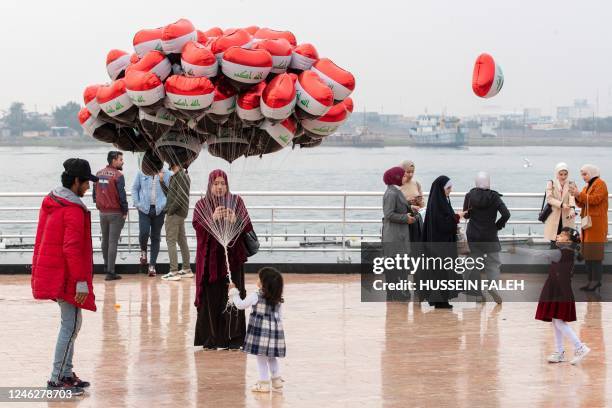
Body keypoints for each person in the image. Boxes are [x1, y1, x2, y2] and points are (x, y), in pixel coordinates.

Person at [32, 158, 98, 394]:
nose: (88, 188)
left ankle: (66, 373)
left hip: (56, 272)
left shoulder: (53, 201)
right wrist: (81, 282)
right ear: (77, 181)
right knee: (69, 326)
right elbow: (72, 248)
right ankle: (56, 378)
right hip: (66, 276)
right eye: (86, 183)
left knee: (72, 323)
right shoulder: (72, 209)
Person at [193, 170, 254, 350]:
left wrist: (235, 219)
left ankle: (233, 339)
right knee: (211, 298)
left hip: (232, 260)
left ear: (227, 184)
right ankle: (211, 338)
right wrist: (212, 219)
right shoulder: (201, 205)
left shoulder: (236, 202)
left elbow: (247, 226)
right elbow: (197, 226)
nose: (219, 187)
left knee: (233, 296)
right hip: (210, 261)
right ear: (210, 185)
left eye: (222, 183)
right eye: (216, 183)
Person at [512, 228, 591, 365]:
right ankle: (559, 352)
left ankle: (580, 347)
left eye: (561, 235)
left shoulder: (560, 253)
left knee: (559, 322)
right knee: (556, 320)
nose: (558, 236)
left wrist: (518, 250)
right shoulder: (569, 252)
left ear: (568, 241)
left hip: (558, 291)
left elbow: (538, 253)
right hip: (559, 290)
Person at [229, 267, 286, 393]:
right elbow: (280, 317)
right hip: (275, 332)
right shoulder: (277, 298)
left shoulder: (255, 295)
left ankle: (264, 383)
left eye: (259, 278)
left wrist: (233, 292)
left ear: (263, 283)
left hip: (260, 332)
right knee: (272, 357)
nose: (257, 280)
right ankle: (276, 381)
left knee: (261, 358)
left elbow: (240, 305)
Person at [462, 171, 511, 303]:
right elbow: (506, 214)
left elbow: (466, 215)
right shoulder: (495, 197)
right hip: (490, 235)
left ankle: (474, 292)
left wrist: (471, 214)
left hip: (473, 235)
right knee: (493, 263)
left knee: (473, 263)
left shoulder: (469, 196)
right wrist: (497, 226)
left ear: (476, 182)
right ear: (489, 183)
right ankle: (492, 286)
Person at [422, 175, 462, 309]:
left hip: (442, 244)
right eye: (448, 188)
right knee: (441, 272)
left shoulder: (442, 201)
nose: (450, 190)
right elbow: (443, 225)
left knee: (442, 272)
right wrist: (457, 217)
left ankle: (442, 300)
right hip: (440, 245)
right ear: (441, 189)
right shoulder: (438, 204)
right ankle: (440, 301)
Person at [569, 164, 608, 292]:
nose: (583, 177)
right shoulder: (588, 186)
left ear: (592, 173)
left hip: (596, 224)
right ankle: (591, 281)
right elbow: (581, 203)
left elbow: (596, 200)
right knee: (589, 254)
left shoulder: (600, 184)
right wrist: (575, 195)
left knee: (595, 255)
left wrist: (579, 194)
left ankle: (595, 281)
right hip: (588, 224)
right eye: (582, 174)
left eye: (585, 174)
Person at [93, 151, 128, 281]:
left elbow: (94, 192)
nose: (122, 162)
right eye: (120, 159)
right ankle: (110, 272)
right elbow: (122, 195)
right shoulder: (118, 175)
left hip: (103, 212)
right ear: (113, 160)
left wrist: (98, 205)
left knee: (105, 240)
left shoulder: (98, 173)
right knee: (113, 242)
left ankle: (106, 265)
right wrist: (125, 211)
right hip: (115, 213)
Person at [382, 166, 415, 301]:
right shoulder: (391, 193)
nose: (405, 177)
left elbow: (397, 208)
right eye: (402, 175)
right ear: (395, 177)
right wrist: (405, 218)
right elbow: (389, 214)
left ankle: (398, 292)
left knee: (399, 265)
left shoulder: (396, 191)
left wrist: (409, 206)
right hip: (394, 235)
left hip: (399, 234)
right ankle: (394, 294)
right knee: (394, 265)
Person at [132, 167, 171, 277]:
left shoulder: (167, 173)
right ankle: (143, 251)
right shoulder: (141, 171)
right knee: (144, 232)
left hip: (159, 210)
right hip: (144, 208)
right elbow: (135, 188)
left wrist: (165, 205)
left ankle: (152, 265)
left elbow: (170, 191)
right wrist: (137, 203)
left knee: (156, 237)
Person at [160, 163, 193, 281]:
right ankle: (186, 268)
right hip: (180, 213)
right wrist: (162, 182)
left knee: (171, 241)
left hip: (175, 214)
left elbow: (179, 198)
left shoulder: (181, 176)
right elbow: (171, 195)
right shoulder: (179, 176)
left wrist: (169, 211)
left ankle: (173, 271)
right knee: (182, 240)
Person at [543, 162, 576, 245]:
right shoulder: (551, 183)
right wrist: (561, 204)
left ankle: (564, 257)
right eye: (561, 174)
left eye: (565, 174)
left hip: (567, 215)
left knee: (566, 239)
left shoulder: (571, 183)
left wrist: (572, 208)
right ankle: (554, 256)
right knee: (554, 240)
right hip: (554, 215)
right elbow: (549, 198)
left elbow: (572, 197)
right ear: (556, 173)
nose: (563, 176)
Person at [399, 160, 425, 243]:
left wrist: (419, 201)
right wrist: (408, 202)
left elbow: (423, 205)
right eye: (408, 172)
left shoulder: (416, 184)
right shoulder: (397, 185)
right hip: (403, 220)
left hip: (416, 220)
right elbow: (394, 204)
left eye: (412, 172)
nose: (410, 174)